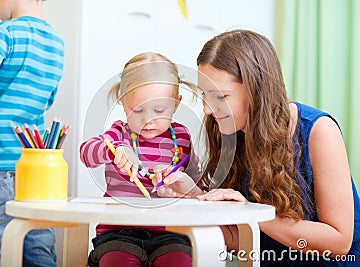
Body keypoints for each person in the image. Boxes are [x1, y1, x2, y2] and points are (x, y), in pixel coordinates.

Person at [154, 29, 360, 266]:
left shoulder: (318, 131)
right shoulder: (231, 133)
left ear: (256, 90)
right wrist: (195, 198)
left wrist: (251, 213)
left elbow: (339, 243)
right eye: (204, 94)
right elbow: (244, 243)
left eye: (220, 96)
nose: (207, 109)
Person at [0, 1, 64, 266]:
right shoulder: (55, 42)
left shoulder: (3, 32)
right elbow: (45, 99)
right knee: (38, 247)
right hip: (35, 165)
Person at [80, 52, 201, 267]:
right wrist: (115, 150)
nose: (148, 120)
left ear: (176, 104)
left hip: (171, 231)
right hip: (119, 231)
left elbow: (196, 184)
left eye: (158, 110)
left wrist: (183, 185)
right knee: (116, 262)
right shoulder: (119, 133)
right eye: (137, 110)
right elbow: (86, 152)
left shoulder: (181, 137)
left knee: (179, 262)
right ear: (124, 103)